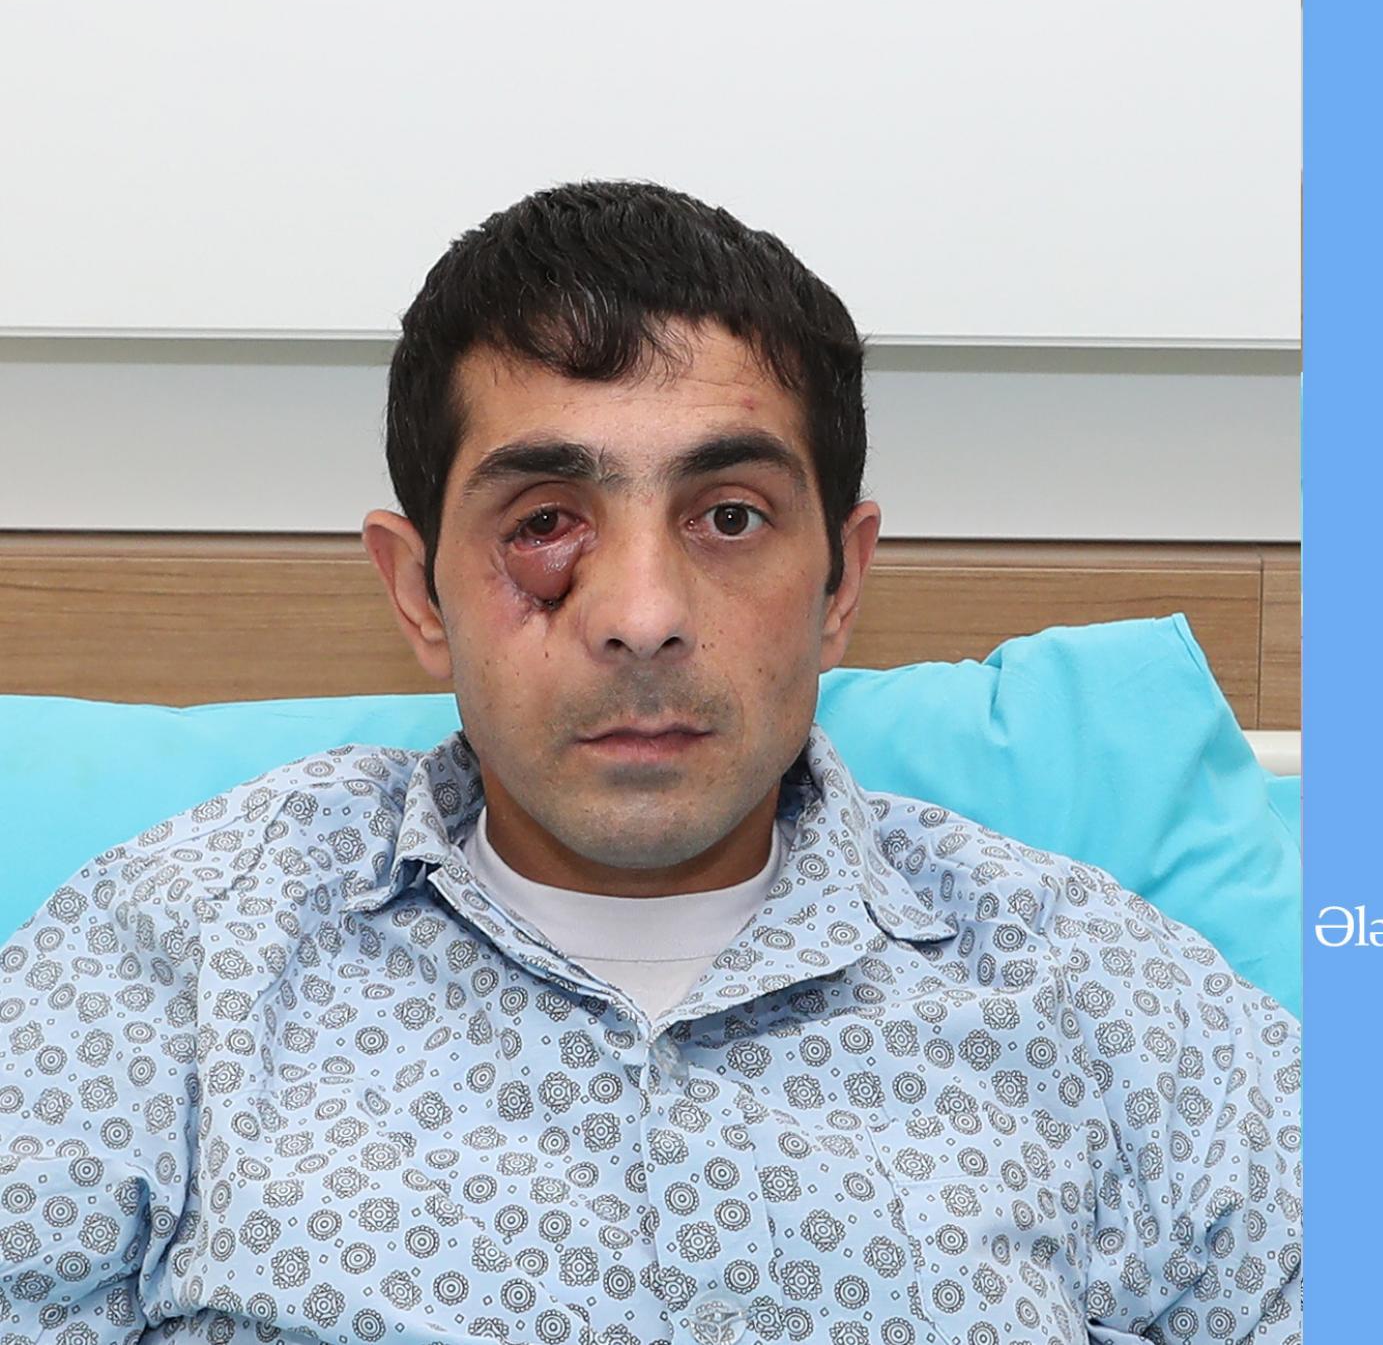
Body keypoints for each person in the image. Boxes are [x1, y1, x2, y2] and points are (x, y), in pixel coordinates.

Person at [0, 181, 1302, 1345]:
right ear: (418, 592)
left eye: (729, 515)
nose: (642, 614)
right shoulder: (168, 962)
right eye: (545, 521)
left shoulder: (1106, 998)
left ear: (841, 583)